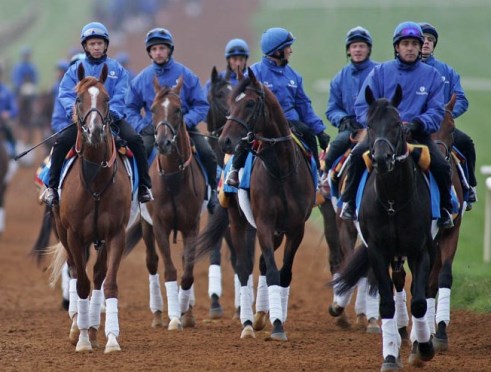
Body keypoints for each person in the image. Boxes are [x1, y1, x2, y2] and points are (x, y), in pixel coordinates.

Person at [340, 21, 454, 229]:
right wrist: (377, 124)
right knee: (356, 156)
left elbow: (437, 110)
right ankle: (348, 202)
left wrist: (418, 124)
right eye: (405, 44)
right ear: (397, 47)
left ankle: (446, 208)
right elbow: (362, 105)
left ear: (420, 48)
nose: (410, 48)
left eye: (414, 44)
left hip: (417, 134)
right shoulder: (380, 72)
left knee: (441, 165)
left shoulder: (432, 76)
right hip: (383, 135)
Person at [42, 21, 153, 207]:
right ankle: (52, 188)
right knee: (61, 143)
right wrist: (76, 113)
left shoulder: (117, 70)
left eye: (99, 43)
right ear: (85, 46)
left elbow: (123, 94)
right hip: (83, 121)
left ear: (106, 45)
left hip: (112, 120)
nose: (96, 47)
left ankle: (144, 186)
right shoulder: (74, 70)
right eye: (92, 44)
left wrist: (112, 114)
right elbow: (66, 94)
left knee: (136, 140)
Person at [125, 27, 219, 214]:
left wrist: (187, 122)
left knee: (207, 153)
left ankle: (212, 191)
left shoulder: (187, 75)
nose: (158, 52)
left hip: (183, 127)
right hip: (154, 129)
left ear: (169, 50)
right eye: (154, 49)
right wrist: (143, 126)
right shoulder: (142, 79)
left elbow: (201, 104)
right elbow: (130, 108)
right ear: (150, 53)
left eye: (161, 48)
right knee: (138, 153)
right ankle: (137, 192)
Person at [225, 27, 330, 187]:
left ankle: (316, 178)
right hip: (263, 124)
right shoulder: (255, 72)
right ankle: (234, 170)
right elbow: (242, 101)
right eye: (288, 47)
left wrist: (319, 131)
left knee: (309, 135)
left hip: (292, 124)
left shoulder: (294, 76)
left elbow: (304, 106)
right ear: (278, 51)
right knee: (246, 138)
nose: (291, 51)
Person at [419, 22, 476, 208]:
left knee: (466, 143)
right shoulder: (406, 70)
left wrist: (448, 114)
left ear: (434, 45)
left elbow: (461, 99)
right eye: (423, 39)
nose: (426, 42)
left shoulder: (447, 71)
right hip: (416, 127)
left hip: (441, 128)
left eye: (430, 40)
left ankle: (469, 187)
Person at [322, 26, 378, 179]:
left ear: (368, 49)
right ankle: (324, 178)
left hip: (375, 127)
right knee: (335, 147)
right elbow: (332, 109)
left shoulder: (380, 72)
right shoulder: (339, 78)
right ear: (348, 50)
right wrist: (343, 119)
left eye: (361, 46)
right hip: (351, 129)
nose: (357, 50)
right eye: (354, 46)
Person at [0, 65, 18, 158]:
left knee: (10, 134)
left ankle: (12, 154)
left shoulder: (6, 91)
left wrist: (8, 114)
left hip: (2, 124)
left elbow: (14, 109)